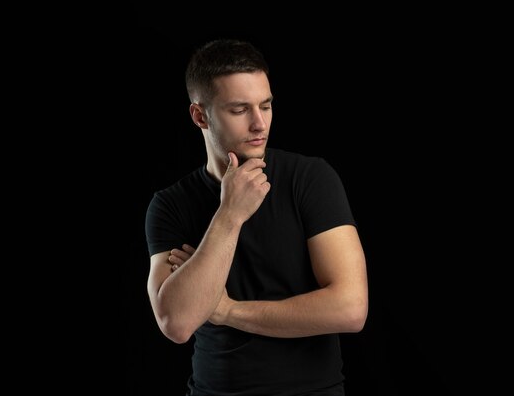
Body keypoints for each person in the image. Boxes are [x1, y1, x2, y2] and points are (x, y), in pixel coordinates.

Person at [145, 39, 368, 396]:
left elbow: (351, 308)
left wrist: (227, 311)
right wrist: (229, 215)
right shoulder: (171, 204)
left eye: (266, 105)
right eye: (239, 110)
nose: (259, 123)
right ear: (200, 116)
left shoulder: (310, 179)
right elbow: (177, 322)